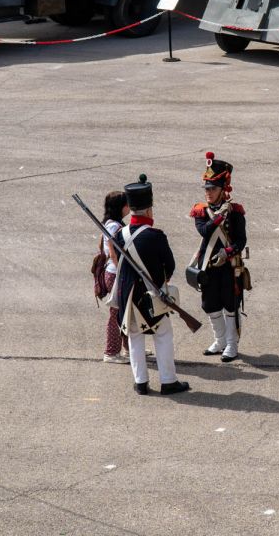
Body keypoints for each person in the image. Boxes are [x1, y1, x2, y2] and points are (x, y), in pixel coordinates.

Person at [109, 174, 190, 396]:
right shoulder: (155, 236)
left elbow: (118, 262)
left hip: (127, 296)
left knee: (134, 337)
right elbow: (170, 266)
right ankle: (168, 380)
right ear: (149, 209)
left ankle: (141, 382)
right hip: (151, 296)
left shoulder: (118, 234)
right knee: (163, 336)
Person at [189, 152, 248, 363]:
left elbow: (241, 241)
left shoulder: (236, 212)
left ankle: (232, 344)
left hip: (229, 266)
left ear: (223, 189)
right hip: (208, 265)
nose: (209, 193)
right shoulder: (201, 211)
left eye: (212, 189)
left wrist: (227, 252)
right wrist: (219, 217)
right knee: (210, 304)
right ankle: (220, 340)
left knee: (230, 304)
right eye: (206, 189)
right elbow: (204, 231)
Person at [101, 190, 130, 364]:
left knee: (125, 312)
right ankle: (111, 352)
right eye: (126, 204)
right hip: (115, 274)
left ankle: (128, 347)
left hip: (113, 273)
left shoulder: (111, 223)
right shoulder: (114, 227)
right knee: (116, 314)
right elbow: (113, 254)